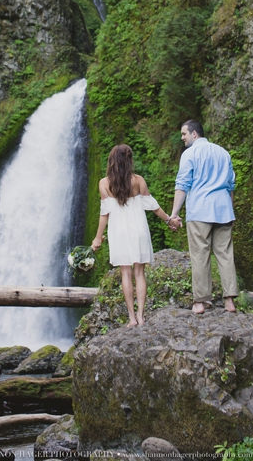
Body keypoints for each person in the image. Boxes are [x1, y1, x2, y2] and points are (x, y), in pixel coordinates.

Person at [92, 144, 175, 327]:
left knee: (125, 273)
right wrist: (169, 220)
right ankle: (141, 316)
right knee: (139, 273)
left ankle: (131, 318)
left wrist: (98, 237)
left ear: (112, 161)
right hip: (138, 229)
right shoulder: (138, 181)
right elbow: (153, 206)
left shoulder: (104, 183)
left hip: (119, 231)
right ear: (129, 160)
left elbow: (104, 213)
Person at [167, 119, 239, 314]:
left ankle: (201, 302)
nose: (182, 138)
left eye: (184, 134)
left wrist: (174, 214)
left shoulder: (190, 154)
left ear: (194, 134)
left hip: (200, 210)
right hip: (223, 209)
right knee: (225, 254)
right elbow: (231, 185)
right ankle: (230, 301)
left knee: (200, 254)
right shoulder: (223, 153)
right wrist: (230, 209)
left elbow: (182, 184)